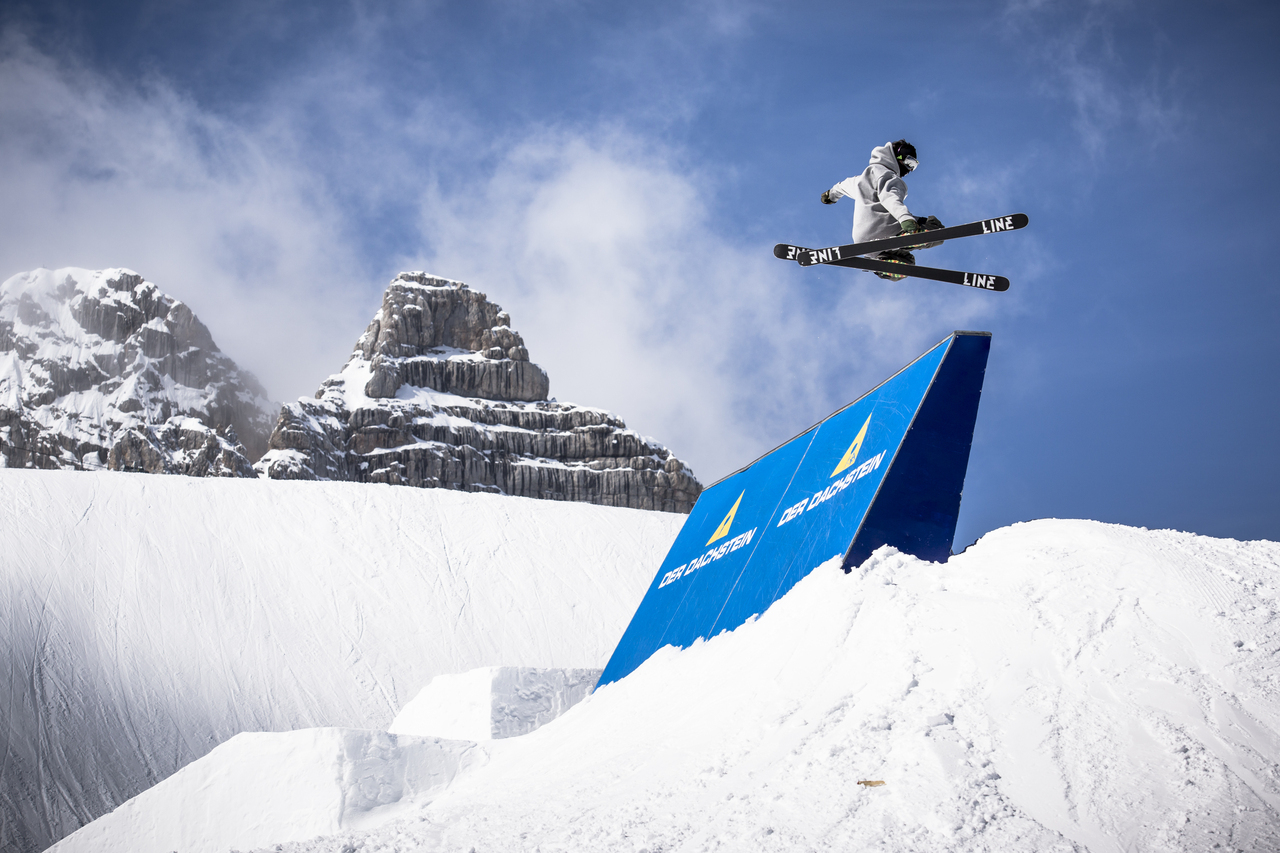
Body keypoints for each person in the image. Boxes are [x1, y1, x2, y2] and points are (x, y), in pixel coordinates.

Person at [821, 140, 942, 280]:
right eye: (909, 163)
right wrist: (906, 220)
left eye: (913, 167)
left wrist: (831, 195)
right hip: (885, 229)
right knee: (935, 229)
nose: (909, 170)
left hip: (862, 241)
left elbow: (844, 185)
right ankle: (911, 236)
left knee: (906, 264)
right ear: (899, 157)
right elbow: (889, 198)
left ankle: (882, 263)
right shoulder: (889, 176)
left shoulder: (861, 180)